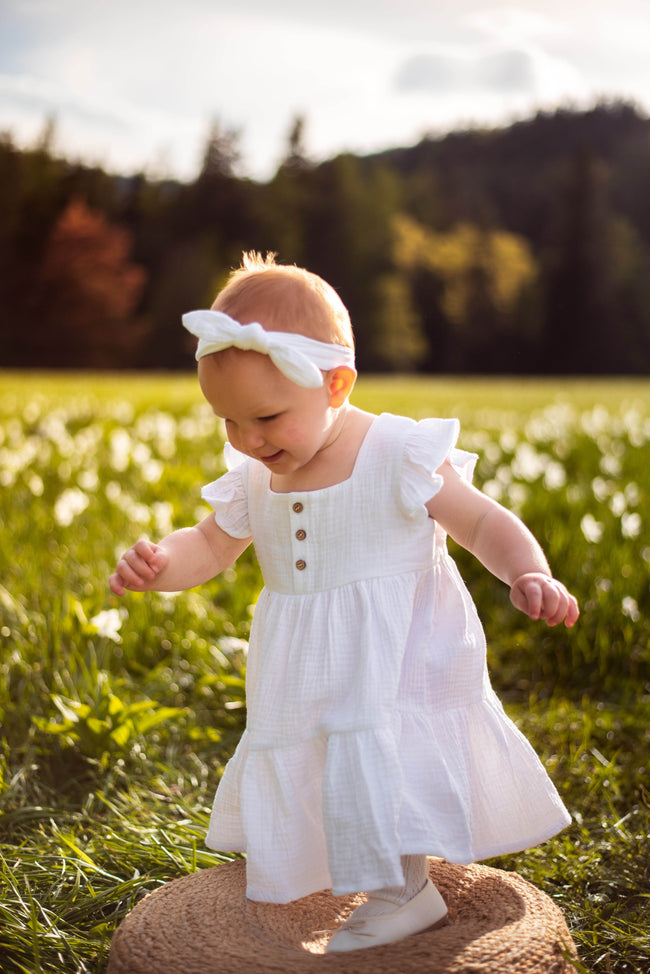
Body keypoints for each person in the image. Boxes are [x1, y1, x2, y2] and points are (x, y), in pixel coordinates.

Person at [110, 252, 579, 953]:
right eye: (227, 422)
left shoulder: (397, 451)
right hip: (304, 659)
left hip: (395, 651)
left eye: (266, 417)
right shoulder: (256, 475)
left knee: (389, 751)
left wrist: (527, 572)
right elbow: (208, 546)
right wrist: (161, 564)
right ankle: (333, 863)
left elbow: (480, 520)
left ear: (336, 384)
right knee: (324, 761)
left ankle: (404, 890)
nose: (247, 440)